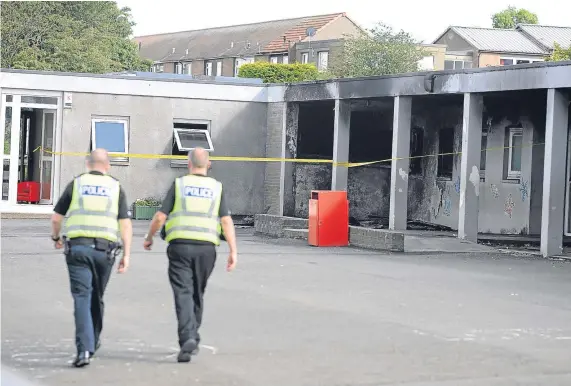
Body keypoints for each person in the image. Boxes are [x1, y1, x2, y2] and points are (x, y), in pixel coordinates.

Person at [143, 147, 237, 363]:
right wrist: (233, 250)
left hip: (180, 247)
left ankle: (188, 337)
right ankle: (192, 334)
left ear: (189, 164)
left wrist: (149, 237)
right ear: (209, 164)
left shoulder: (179, 185)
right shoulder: (216, 187)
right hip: (206, 249)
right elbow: (225, 220)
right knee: (197, 291)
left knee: (183, 292)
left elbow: (159, 216)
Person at [50, 149, 133, 368]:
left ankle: (84, 349)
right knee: (96, 296)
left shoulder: (76, 184)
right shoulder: (116, 187)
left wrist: (56, 237)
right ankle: (92, 342)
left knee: (82, 297)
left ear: (88, 164)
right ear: (108, 166)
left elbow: (57, 217)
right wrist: (127, 254)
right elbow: (125, 224)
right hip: (104, 252)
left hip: (77, 250)